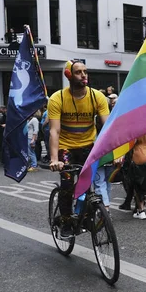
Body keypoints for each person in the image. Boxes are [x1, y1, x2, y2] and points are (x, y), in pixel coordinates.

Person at [47, 60, 111, 238]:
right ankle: (66, 221)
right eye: (78, 72)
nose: (83, 75)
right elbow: (54, 130)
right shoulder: (57, 98)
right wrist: (54, 159)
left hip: (88, 146)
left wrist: (115, 153)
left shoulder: (97, 96)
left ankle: (86, 216)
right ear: (69, 76)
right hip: (66, 148)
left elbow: (107, 127)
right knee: (67, 184)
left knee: (88, 186)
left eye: (85, 71)